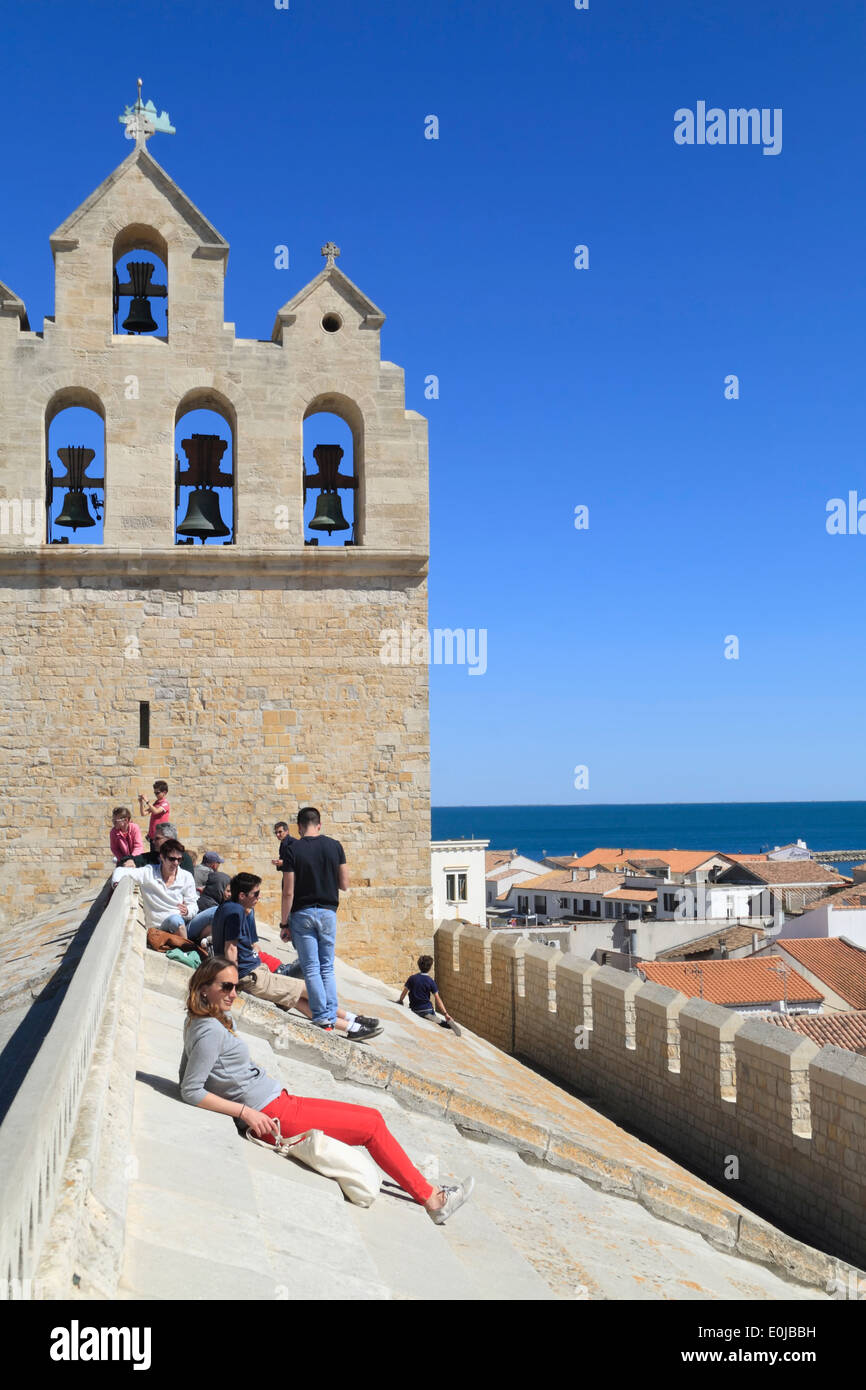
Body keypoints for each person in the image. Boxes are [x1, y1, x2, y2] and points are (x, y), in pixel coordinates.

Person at [179, 956, 473, 1224]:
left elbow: (186, 1072)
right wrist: (245, 1112)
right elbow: (190, 1089)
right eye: (226, 986)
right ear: (204, 988)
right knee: (370, 1125)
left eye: (235, 986)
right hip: (275, 1114)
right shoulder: (209, 1030)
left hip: (280, 1104)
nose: (233, 993)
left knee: (370, 1119)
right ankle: (433, 1200)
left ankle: (428, 1191)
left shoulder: (202, 1020)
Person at [214, 872, 380, 1040]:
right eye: (255, 894)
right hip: (250, 977)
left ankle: (351, 1025)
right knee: (309, 988)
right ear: (242, 895)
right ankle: (351, 1022)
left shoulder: (228, 907)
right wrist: (231, 983)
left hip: (254, 972)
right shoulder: (236, 912)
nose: (259, 897)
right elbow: (231, 949)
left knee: (297, 998)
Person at [279, 807, 347, 1029]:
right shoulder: (335, 846)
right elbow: (344, 884)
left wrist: (284, 923)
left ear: (299, 827)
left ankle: (321, 1017)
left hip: (302, 913)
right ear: (319, 824)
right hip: (328, 912)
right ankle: (330, 1014)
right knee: (327, 966)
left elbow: (288, 891)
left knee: (311, 967)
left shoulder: (292, 849)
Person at [112, 837, 214, 938]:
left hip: (183, 924)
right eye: (172, 859)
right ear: (162, 857)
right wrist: (116, 883)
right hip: (160, 929)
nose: (176, 863)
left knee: (217, 910)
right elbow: (120, 871)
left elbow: (193, 905)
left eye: (179, 859)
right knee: (175, 920)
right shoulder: (148, 873)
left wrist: (187, 911)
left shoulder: (186, 877)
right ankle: (186, 949)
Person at [398, 956, 461, 1033]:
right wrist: (445, 1014)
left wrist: (400, 1000)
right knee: (436, 1019)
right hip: (427, 1008)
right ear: (430, 967)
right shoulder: (430, 981)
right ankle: (444, 1022)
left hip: (415, 1008)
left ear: (419, 965)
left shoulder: (412, 978)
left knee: (427, 1015)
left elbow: (404, 992)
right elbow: (437, 999)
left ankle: (433, 1018)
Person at [123, 822, 195, 873]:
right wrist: (130, 861)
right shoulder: (153, 856)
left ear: (169, 839)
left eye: (157, 839)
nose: (153, 842)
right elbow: (123, 861)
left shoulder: (184, 859)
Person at [139, 780, 171, 845]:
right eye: (155, 793)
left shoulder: (165, 803)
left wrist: (147, 801)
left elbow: (156, 811)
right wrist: (141, 803)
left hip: (161, 837)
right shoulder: (156, 803)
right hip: (153, 837)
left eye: (157, 793)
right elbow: (143, 814)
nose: (156, 795)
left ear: (164, 792)